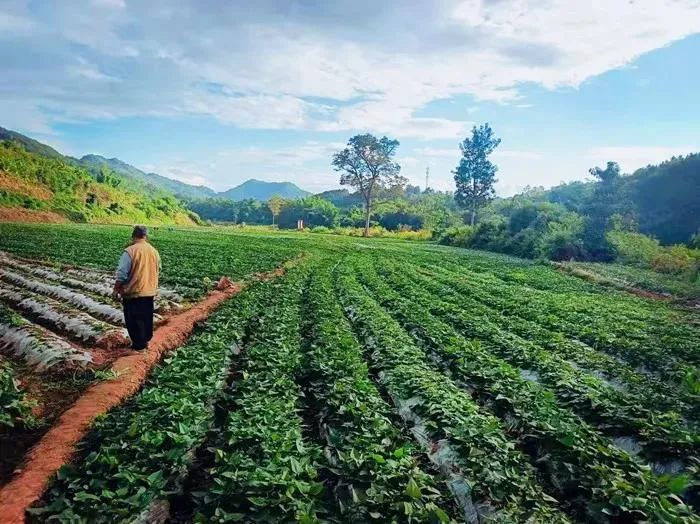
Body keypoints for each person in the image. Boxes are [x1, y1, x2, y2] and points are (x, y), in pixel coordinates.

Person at [112, 225, 161, 351]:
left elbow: (122, 273)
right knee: (146, 318)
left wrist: (116, 289)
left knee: (134, 320)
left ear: (133, 236)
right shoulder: (154, 251)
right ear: (145, 236)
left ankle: (138, 346)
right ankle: (144, 342)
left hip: (134, 292)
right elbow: (159, 269)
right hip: (149, 291)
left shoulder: (130, 251)